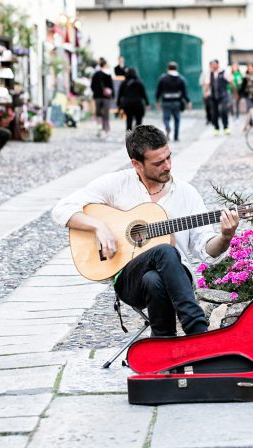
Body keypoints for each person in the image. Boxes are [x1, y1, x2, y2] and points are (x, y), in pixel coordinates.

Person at [51, 125, 240, 336]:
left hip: (178, 277)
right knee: (165, 250)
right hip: (131, 281)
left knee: (155, 279)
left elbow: (206, 249)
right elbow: (61, 209)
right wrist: (99, 226)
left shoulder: (187, 193)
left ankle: (164, 352)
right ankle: (199, 332)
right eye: (158, 163)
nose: (167, 166)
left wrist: (225, 236)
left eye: (169, 157)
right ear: (136, 164)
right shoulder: (117, 184)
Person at [155, 61, 191, 142]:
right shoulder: (181, 79)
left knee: (166, 118)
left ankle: (167, 126)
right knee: (177, 119)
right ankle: (176, 137)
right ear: (176, 68)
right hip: (176, 102)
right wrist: (188, 101)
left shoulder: (163, 78)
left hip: (166, 102)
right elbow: (184, 92)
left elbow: (158, 91)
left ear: (168, 68)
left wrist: (157, 101)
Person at [207, 59, 236, 136]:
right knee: (214, 113)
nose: (212, 66)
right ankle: (216, 128)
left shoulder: (224, 72)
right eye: (211, 65)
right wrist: (205, 92)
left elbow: (231, 82)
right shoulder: (210, 74)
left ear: (217, 64)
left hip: (223, 95)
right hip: (213, 96)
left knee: (223, 110)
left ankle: (226, 127)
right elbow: (207, 84)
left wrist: (235, 92)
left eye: (214, 64)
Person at [91, 58, 114, 139]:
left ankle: (99, 128)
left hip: (97, 97)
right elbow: (111, 86)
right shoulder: (108, 74)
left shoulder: (96, 74)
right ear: (105, 65)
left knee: (98, 113)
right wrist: (112, 96)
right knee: (106, 114)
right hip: (106, 97)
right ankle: (106, 130)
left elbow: (92, 86)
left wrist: (96, 92)